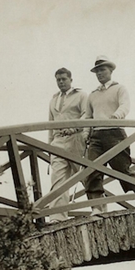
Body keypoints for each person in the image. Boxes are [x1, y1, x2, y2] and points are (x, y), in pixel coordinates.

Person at [84, 56, 135, 215]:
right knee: (92, 169)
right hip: (97, 135)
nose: (100, 74)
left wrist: (116, 117)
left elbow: (125, 105)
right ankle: (97, 206)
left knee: (121, 168)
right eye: (97, 71)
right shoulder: (93, 94)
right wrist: (86, 133)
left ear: (110, 70)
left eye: (102, 70)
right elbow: (88, 116)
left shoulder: (119, 88)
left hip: (114, 132)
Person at [47, 68, 88, 222]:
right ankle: (58, 216)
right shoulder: (54, 99)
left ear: (71, 79)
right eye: (58, 80)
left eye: (64, 79)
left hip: (75, 138)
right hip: (58, 141)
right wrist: (49, 145)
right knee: (58, 178)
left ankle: (98, 207)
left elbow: (86, 114)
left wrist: (76, 127)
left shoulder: (81, 95)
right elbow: (50, 123)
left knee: (84, 175)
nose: (61, 82)